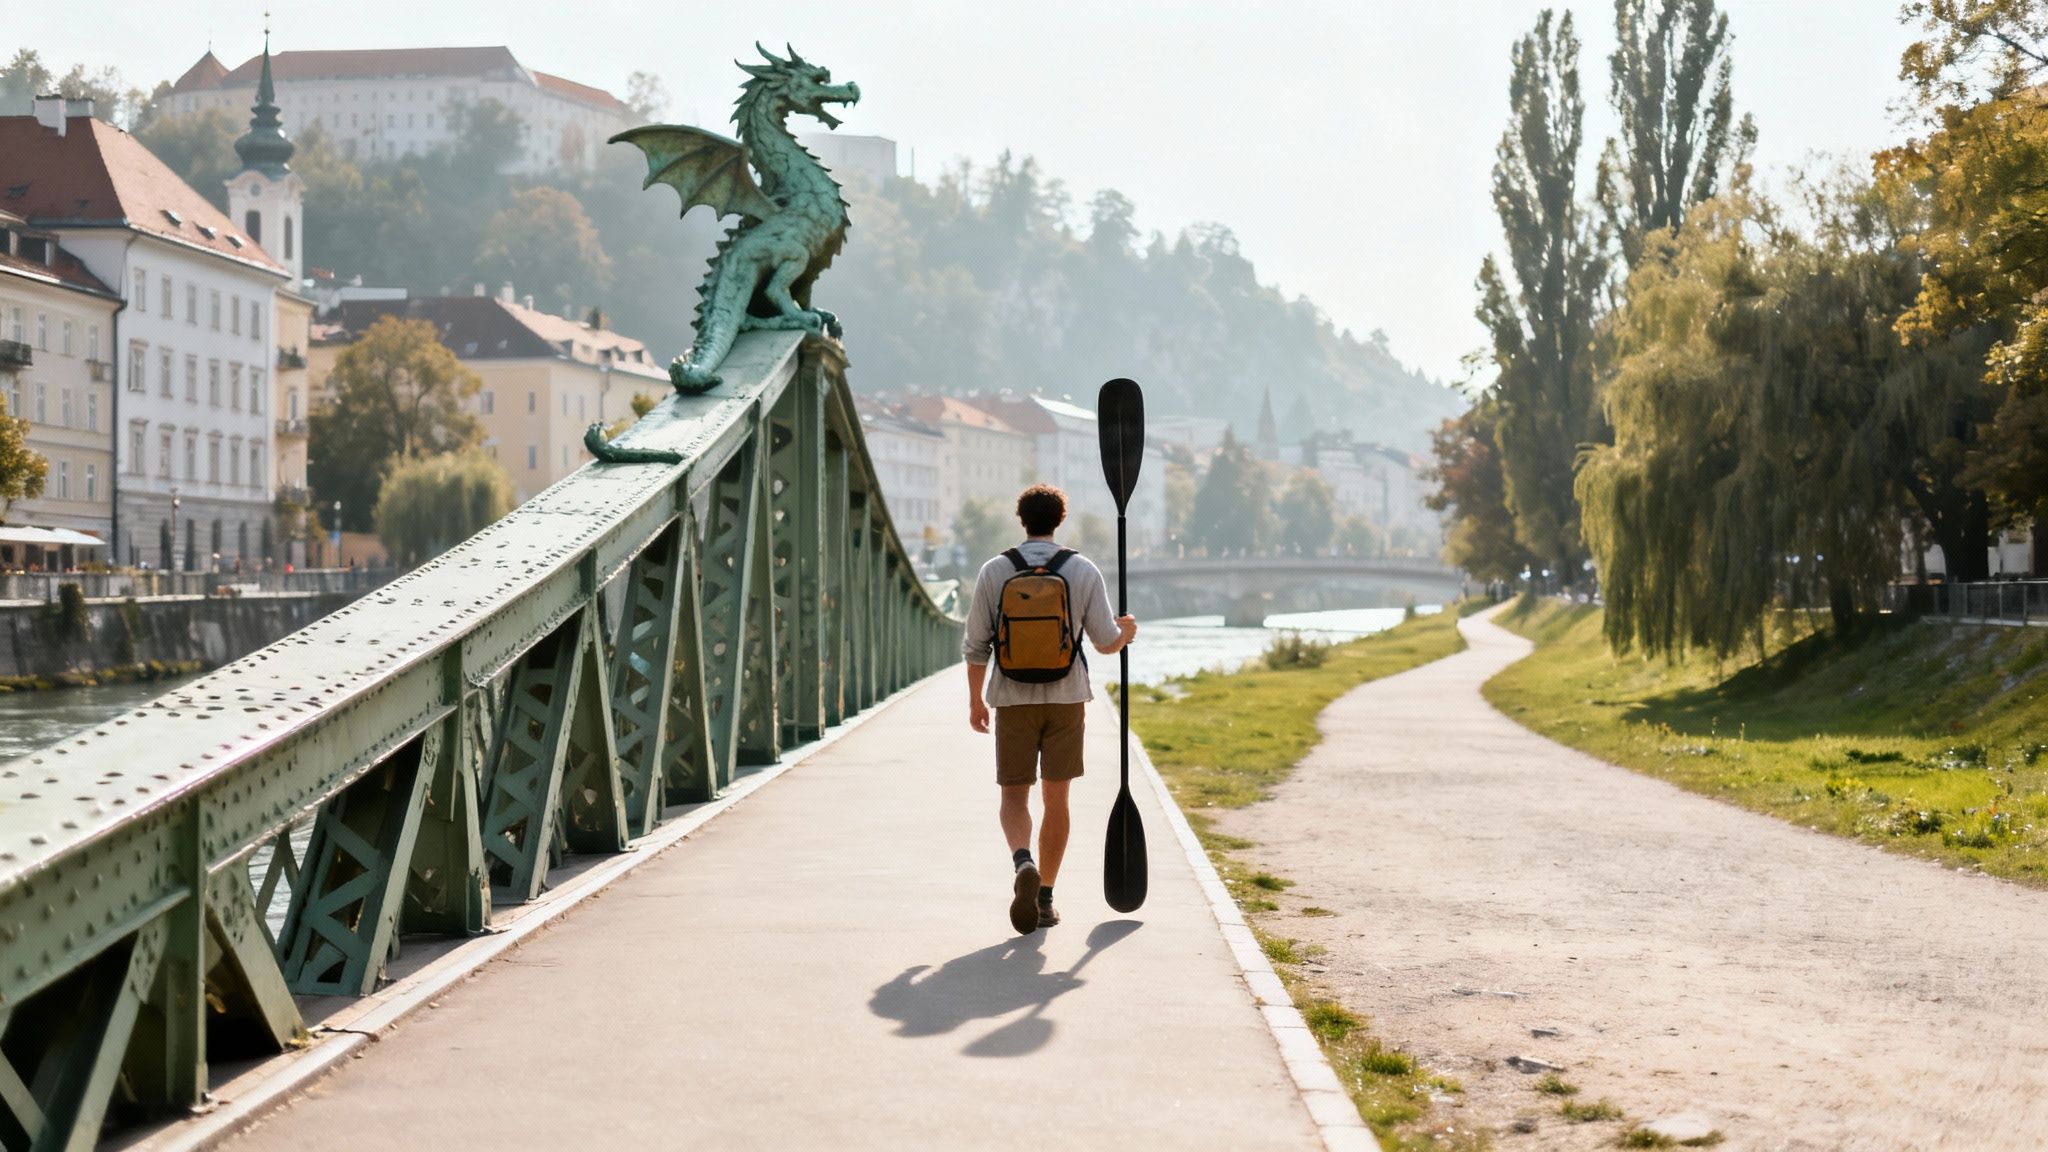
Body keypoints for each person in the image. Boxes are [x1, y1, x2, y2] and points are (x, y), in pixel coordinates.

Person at [962, 483, 1137, 934]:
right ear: (1060, 519)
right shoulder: (1081, 570)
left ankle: (1023, 863)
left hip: (1011, 699)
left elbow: (975, 645)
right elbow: (1104, 643)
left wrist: (975, 700)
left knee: (1013, 795)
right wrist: (1126, 633)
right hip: (1067, 699)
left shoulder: (995, 570)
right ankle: (1044, 900)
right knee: (1056, 799)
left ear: (1022, 520)